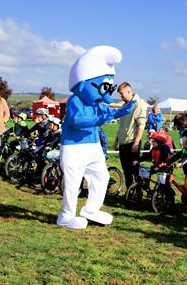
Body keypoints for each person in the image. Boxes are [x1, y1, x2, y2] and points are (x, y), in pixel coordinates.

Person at [58, 45, 135, 229]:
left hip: (92, 146)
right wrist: (104, 116)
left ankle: (91, 209)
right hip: (73, 147)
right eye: (104, 84)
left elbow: (107, 113)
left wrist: (121, 112)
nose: (107, 90)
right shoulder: (75, 100)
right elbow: (77, 120)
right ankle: (66, 215)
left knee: (101, 177)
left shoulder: (98, 103)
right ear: (85, 82)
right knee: (73, 182)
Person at [114, 82, 147, 191]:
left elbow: (141, 125)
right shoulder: (125, 105)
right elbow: (121, 125)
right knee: (126, 171)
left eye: (122, 93)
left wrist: (136, 142)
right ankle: (130, 193)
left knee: (134, 171)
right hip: (123, 144)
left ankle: (137, 194)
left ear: (129, 91)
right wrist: (116, 140)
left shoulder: (139, 104)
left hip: (132, 143)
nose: (121, 96)